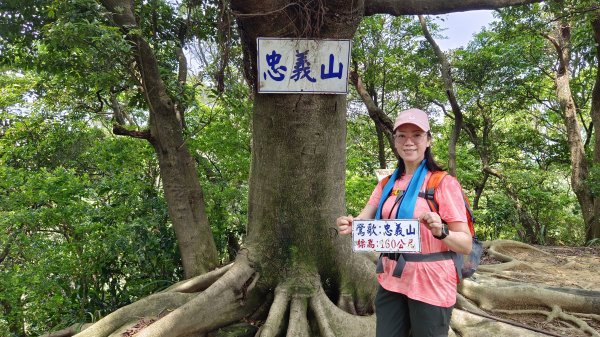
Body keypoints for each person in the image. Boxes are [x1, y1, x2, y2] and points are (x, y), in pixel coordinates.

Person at [336, 108, 472, 337]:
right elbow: (364, 218)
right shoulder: (387, 184)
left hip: (431, 282)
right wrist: (352, 226)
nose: (409, 141)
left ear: (428, 140)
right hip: (392, 279)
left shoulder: (442, 183)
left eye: (417, 135)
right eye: (402, 135)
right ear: (395, 141)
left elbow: (465, 244)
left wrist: (441, 231)